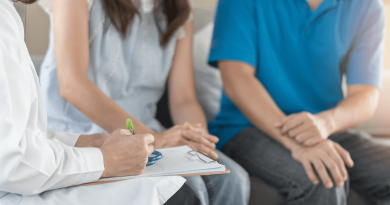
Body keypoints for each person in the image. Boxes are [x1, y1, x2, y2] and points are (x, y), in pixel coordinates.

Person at [38, 0, 250, 204]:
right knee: (190, 184)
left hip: (148, 135)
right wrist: (155, 139)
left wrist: (198, 140)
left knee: (233, 180)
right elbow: (72, 86)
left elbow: (184, 99)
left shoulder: (179, 8)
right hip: (84, 138)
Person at [0, 0, 202, 204]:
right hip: (68, 154)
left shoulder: (8, 15)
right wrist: (106, 158)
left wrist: (85, 143)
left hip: (107, 142)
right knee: (182, 193)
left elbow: (18, 138)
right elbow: (12, 160)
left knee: (222, 181)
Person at [208, 0, 390, 204]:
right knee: (321, 175)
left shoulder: (368, 6)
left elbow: (365, 94)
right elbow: (236, 78)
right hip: (245, 128)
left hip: (322, 129)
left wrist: (324, 123)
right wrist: (298, 141)